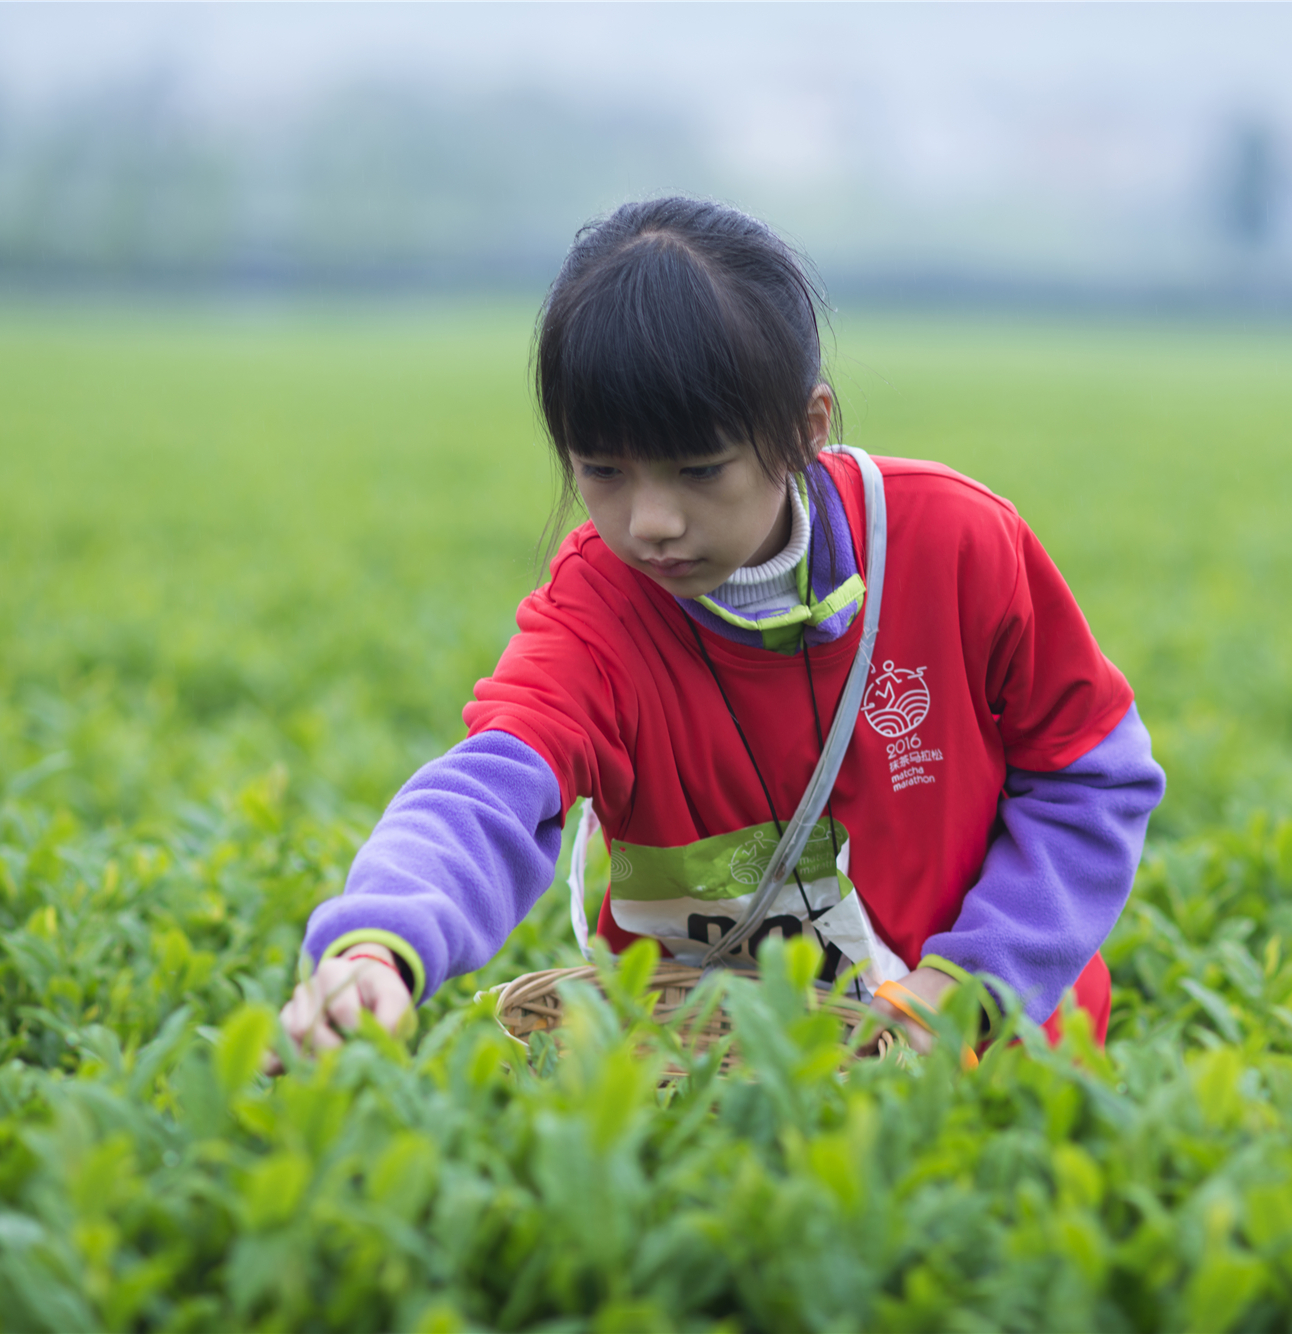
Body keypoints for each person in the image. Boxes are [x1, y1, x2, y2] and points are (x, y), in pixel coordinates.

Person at [274, 197, 1165, 1063]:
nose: (651, 521)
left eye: (699, 469)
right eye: (603, 469)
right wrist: (377, 948)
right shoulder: (596, 614)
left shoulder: (954, 542)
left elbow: (1092, 776)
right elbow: (488, 792)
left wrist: (968, 987)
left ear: (803, 430)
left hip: (991, 1050)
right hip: (699, 1068)